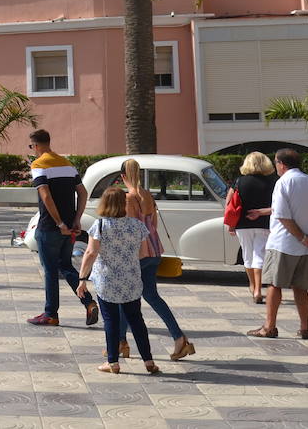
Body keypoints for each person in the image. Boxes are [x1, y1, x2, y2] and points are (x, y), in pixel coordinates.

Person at [114, 159, 195, 360]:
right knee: (152, 296)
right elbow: (154, 224)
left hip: (137, 255)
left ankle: (120, 343)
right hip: (154, 251)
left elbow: (131, 229)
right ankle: (179, 338)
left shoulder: (128, 198)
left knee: (125, 299)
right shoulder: (147, 195)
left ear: (123, 176)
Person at [76, 187, 161, 374]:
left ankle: (112, 362)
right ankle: (148, 361)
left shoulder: (99, 226)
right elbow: (142, 252)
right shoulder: (136, 225)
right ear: (123, 204)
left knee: (111, 320)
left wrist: (82, 278)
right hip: (131, 279)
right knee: (136, 320)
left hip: (107, 281)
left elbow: (91, 253)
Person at [247, 148, 308, 340]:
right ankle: (304, 328)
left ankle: (269, 327)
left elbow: (283, 216)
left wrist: (301, 237)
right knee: (301, 288)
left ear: (281, 164)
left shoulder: (283, 182)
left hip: (283, 243)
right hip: (307, 247)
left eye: (276, 162)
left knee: (274, 285)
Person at [26, 129, 98, 327]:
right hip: (70, 226)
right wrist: (76, 219)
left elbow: (46, 196)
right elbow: (82, 193)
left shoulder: (38, 164)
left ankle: (51, 314)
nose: (32, 151)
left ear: (37, 146)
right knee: (65, 266)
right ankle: (89, 302)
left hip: (50, 226)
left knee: (50, 270)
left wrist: (59, 223)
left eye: (32, 147)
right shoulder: (67, 164)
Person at [228, 151, 278, 304]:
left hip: (243, 223)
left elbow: (229, 202)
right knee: (259, 255)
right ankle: (258, 289)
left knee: (247, 255)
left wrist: (231, 224)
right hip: (264, 223)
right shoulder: (273, 182)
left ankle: (252, 286)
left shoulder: (239, 182)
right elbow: (278, 205)